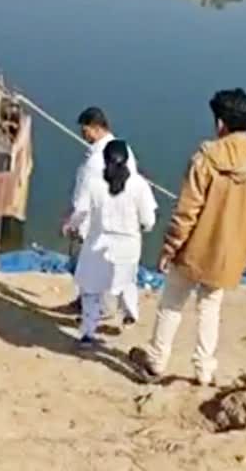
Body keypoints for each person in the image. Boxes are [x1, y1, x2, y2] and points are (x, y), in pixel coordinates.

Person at [129, 88, 246, 386]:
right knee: (210, 308)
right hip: (229, 255)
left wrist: (169, 247)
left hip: (193, 250)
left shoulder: (204, 160)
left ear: (220, 124)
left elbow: (187, 211)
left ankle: (156, 361)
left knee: (172, 302)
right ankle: (204, 370)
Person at [68, 140, 157, 349]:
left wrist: (70, 226)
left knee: (91, 290)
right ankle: (130, 314)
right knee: (126, 280)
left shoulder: (93, 183)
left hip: (98, 242)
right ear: (127, 161)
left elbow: (80, 212)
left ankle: (88, 333)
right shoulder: (139, 185)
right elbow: (149, 221)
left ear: (104, 160)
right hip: (129, 246)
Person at [62, 107, 139, 314]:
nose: (83, 134)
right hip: (118, 219)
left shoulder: (97, 160)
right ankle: (94, 304)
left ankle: (93, 310)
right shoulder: (123, 150)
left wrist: (73, 222)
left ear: (96, 128)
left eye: (85, 130)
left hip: (95, 221)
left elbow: (86, 197)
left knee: (87, 267)